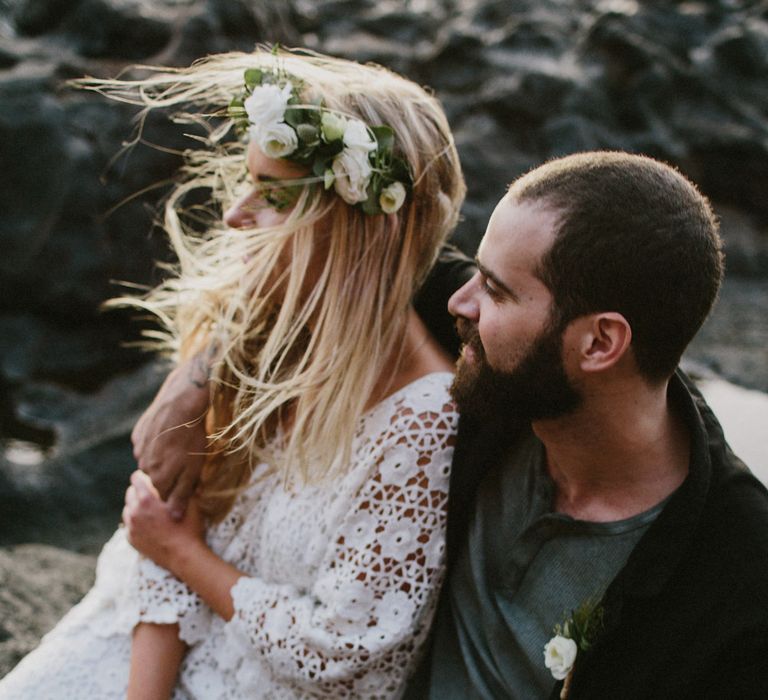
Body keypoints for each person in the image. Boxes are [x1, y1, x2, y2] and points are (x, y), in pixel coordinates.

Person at [121, 151, 768, 698]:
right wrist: (194, 380)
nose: (459, 302)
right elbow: (316, 256)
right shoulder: (500, 368)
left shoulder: (735, 577)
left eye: (495, 290)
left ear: (600, 344)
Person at [0, 47, 466, 699]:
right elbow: (158, 540)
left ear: (356, 229)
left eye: (272, 194)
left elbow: (349, 655)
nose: (234, 214)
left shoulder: (422, 426)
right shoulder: (258, 343)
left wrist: (185, 556)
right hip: (133, 651)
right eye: (246, 181)